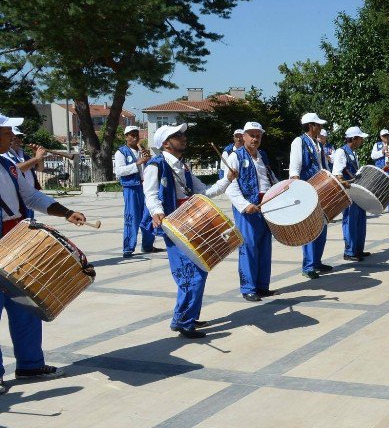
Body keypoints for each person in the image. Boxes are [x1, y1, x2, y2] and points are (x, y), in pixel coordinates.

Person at [0, 113, 88, 395]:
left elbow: (31, 197)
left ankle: (30, 364)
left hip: (17, 240)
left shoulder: (8, 164)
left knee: (26, 304)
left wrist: (66, 212)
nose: (11, 136)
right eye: (6, 132)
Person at [144, 123, 233, 338]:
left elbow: (204, 192)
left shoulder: (183, 167)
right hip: (175, 227)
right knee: (190, 275)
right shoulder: (155, 165)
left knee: (199, 270)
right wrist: (156, 211)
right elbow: (150, 194)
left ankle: (184, 317)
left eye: (182, 134)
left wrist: (227, 180)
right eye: (177, 135)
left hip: (190, 224)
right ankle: (184, 321)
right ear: (166, 143)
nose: (183, 138)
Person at [225, 122, 278, 302]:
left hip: (266, 206)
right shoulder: (235, 157)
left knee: (264, 246)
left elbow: (269, 177)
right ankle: (248, 288)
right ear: (244, 136)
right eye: (252, 135)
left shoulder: (262, 155)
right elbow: (230, 186)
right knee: (248, 247)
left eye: (258, 135)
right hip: (247, 209)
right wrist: (244, 205)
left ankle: (262, 286)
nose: (255, 138)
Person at [290, 112, 334, 279]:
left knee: (321, 227)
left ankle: (316, 261)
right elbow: (295, 168)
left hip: (320, 189)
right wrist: (297, 189)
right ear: (310, 126)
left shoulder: (317, 144)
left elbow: (323, 166)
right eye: (318, 125)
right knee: (309, 229)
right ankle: (308, 266)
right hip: (307, 190)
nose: (320, 128)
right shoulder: (299, 141)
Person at [113, 125, 159, 257]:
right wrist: (138, 163)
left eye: (136, 135)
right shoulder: (121, 152)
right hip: (131, 188)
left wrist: (149, 160)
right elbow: (119, 171)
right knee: (132, 218)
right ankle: (128, 248)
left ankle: (147, 245)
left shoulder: (142, 151)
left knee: (148, 216)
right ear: (126, 137)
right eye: (132, 135)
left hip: (144, 187)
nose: (135, 137)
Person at [334, 126, 370, 261]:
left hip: (357, 191)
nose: (362, 141)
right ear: (353, 139)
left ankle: (358, 249)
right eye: (360, 138)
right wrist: (345, 183)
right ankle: (349, 251)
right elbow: (337, 174)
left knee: (360, 220)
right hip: (348, 193)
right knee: (350, 221)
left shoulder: (354, 153)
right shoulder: (341, 152)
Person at [7, 129, 44, 220]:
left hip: (28, 198)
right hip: (17, 199)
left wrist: (39, 157)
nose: (18, 140)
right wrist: (36, 158)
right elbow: (16, 169)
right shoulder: (5, 154)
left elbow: (40, 168)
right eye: (15, 137)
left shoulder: (23, 155)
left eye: (20, 137)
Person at [371, 129, 389, 213]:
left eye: (387, 135)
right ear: (380, 137)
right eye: (384, 136)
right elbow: (373, 156)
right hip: (380, 170)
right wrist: (382, 152)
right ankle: (379, 208)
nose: (386, 137)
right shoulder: (377, 145)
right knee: (379, 189)